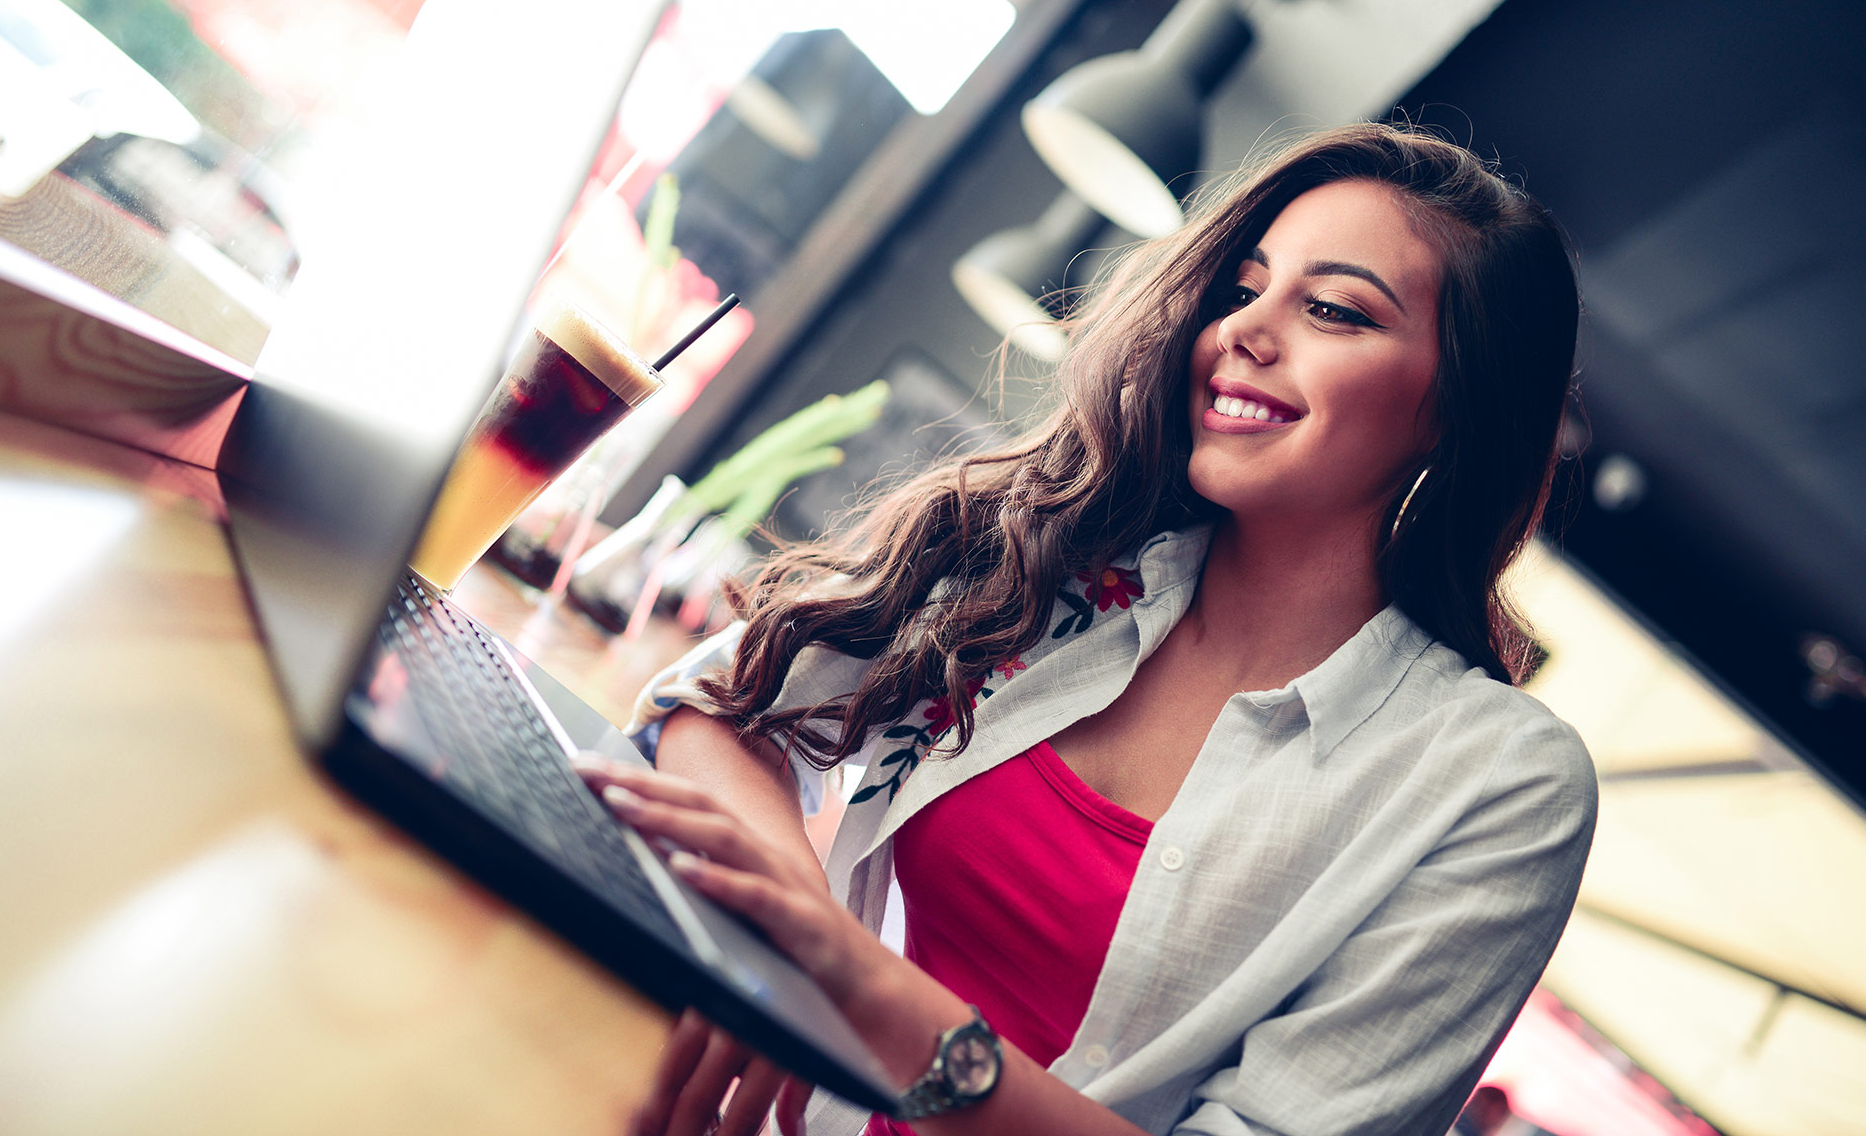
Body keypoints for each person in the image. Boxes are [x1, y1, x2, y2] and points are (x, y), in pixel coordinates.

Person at [575, 122, 1599, 1136]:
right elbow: (721, 708)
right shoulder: (1056, 546)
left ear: (1455, 410)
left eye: (1333, 309)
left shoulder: (1499, 784)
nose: (1240, 329)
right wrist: (790, 941)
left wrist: (857, 989)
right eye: (1243, 288)